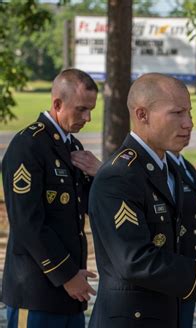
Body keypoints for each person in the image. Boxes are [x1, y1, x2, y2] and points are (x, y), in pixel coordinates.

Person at [88, 73, 196, 328]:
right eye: (177, 113)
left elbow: (186, 239)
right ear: (142, 115)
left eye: (189, 112)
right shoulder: (119, 175)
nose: (189, 124)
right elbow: (134, 260)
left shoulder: (171, 169)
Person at [1, 68, 102, 327]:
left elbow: (91, 207)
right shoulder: (29, 145)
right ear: (57, 104)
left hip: (69, 293)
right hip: (36, 292)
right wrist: (67, 275)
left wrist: (102, 175)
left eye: (91, 109)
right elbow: (27, 223)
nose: (88, 118)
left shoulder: (73, 147)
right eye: (81, 109)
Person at [167, 148, 196, 328]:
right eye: (177, 117)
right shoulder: (160, 168)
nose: (188, 125)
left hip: (189, 268)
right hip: (170, 269)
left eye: (189, 117)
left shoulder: (186, 166)